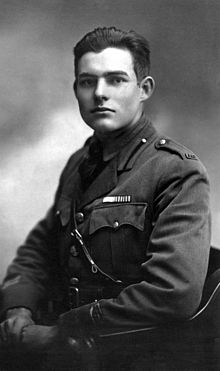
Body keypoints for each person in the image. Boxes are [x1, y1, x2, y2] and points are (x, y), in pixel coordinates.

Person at [0, 26, 211, 370]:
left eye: (115, 80)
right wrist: (18, 309)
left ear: (144, 89)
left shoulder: (175, 171)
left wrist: (61, 332)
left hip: (142, 357)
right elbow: (39, 249)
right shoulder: (79, 164)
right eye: (87, 81)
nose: (99, 93)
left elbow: (173, 294)